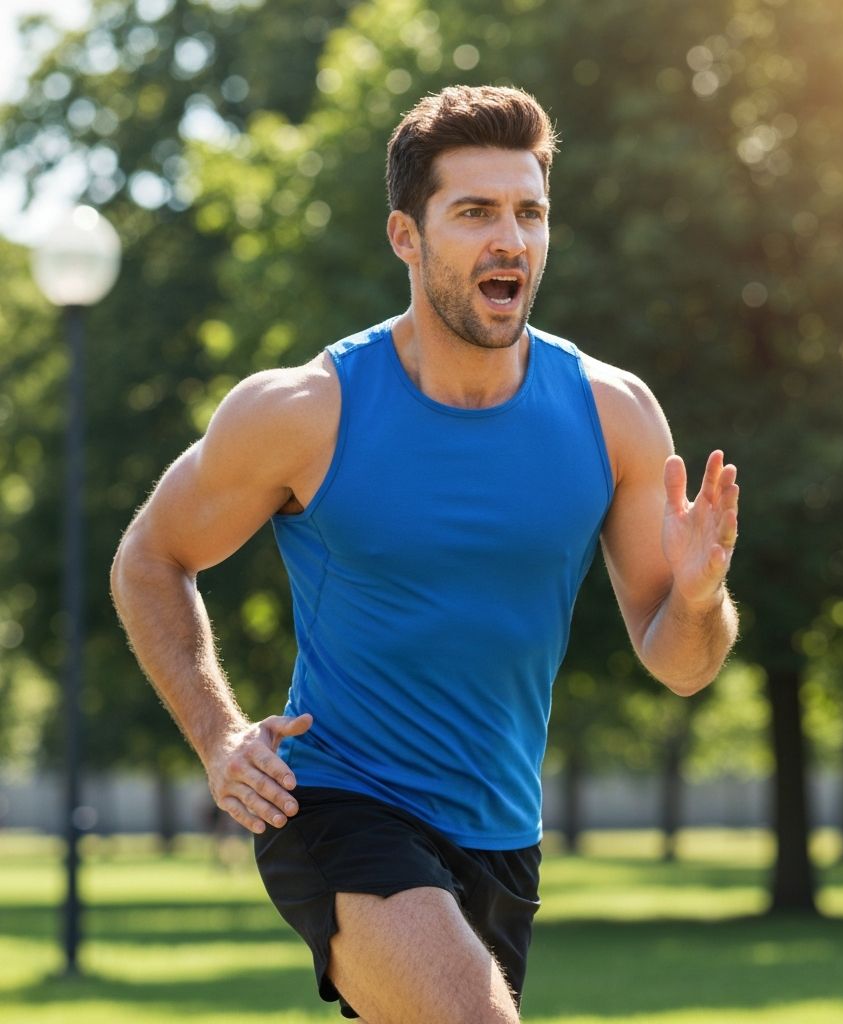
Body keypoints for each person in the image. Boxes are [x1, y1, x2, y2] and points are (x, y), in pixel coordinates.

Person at [110, 84, 739, 1024]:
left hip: (502, 838)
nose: (511, 240)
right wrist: (219, 735)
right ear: (406, 236)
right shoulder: (305, 412)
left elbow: (684, 666)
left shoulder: (613, 415)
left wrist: (695, 598)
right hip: (339, 801)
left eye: (530, 213)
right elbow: (150, 557)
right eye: (475, 212)